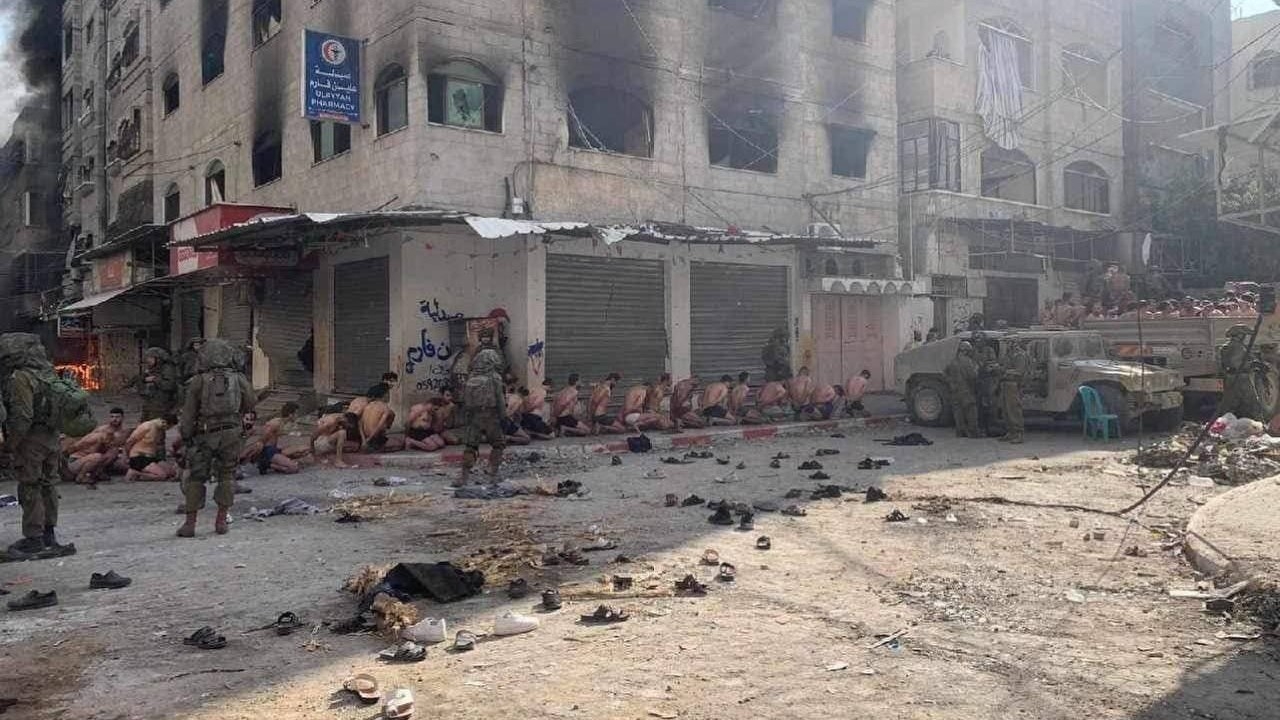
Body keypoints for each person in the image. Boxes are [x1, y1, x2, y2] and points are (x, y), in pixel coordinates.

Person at [1, 333, 76, 558]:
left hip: (31, 440)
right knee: (48, 486)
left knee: (30, 486)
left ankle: (33, 538)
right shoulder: (48, 373)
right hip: (52, 437)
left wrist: (11, 444)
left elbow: (23, 415)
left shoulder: (21, 378)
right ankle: (49, 535)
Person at [178, 338, 256, 537]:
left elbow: (188, 413)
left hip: (205, 433)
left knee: (197, 477)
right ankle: (221, 521)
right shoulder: (238, 378)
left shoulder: (198, 381)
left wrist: (186, 436)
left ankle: (190, 524)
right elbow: (250, 403)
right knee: (227, 475)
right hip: (232, 432)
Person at [457, 327, 507, 485]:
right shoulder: (494, 377)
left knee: (471, 446)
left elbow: (465, 400)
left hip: (474, 417)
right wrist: (504, 417)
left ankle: (463, 477)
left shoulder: (472, 377)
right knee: (498, 444)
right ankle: (492, 474)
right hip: (491, 416)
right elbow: (499, 399)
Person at [63, 407, 128, 485]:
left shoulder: (123, 432)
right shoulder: (98, 433)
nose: (114, 419)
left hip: (95, 459)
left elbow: (121, 447)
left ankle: (98, 472)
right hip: (78, 461)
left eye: (117, 417)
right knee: (97, 456)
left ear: (122, 418)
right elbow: (75, 446)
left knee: (114, 452)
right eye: (112, 417)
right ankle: (81, 476)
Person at [1220, 324, 1267, 420]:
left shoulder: (1227, 346)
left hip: (1231, 377)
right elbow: (1237, 364)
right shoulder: (1237, 347)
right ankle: (1260, 422)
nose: (1245, 337)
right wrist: (1253, 364)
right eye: (1243, 335)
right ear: (1239, 335)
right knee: (1252, 402)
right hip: (1240, 377)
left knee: (1230, 404)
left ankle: (1225, 423)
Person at [250, 402, 304, 474]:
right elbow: (262, 439)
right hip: (268, 451)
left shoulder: (282, 423)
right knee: (294, 468)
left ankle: (272, 464)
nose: (297, 416)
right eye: (296, 414)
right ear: (291, 414)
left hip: (274, 449)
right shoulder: (276, 423)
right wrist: (257, 453)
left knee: (301, 452)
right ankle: (266, 464)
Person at [123, 417, 178, 482]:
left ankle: (146, 473)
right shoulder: (147, 426)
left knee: (172, 472)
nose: (167, 429)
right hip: (139, 457)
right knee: (162, 476)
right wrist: (127, 456)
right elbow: (129, 442)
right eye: (168, 427)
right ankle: (135, 473)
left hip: (151, 457)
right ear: (165, 423)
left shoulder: (160, 429)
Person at [945, 341, 980, 439]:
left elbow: (945, 373)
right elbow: (973, 376)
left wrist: (951, 383)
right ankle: (974, 433)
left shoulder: (952, 361)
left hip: (955, 391)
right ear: (965, 351)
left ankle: (960, 432)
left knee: (958, 412)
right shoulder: (968, 361)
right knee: (971, 411)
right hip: (966, 390)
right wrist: (977, 368)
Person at [998, 340, 1029, 444]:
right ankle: (1010, 432)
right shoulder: (1008, 354)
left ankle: (1018, 433)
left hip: (1013, 384)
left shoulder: (1020, 355)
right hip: (1005, 383)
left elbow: (1019, 371)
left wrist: (1005, 371)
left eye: (1008, 342)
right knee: (1006, 410)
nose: (1007, 344)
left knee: (1014, 410)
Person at [358, 383, 403, 453]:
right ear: (385, 395)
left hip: (365, 437)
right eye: (388, 393)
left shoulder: (367, 406)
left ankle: (373, 446)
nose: (389, 396)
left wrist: (364, 440)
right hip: (374, 438)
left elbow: (360, 423)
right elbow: (379, 426)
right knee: (399, 443)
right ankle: (377, 447)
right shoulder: (385, 408)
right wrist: (369, 440)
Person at [139, 347, 179, 422]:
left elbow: (169, 385)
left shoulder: (167, 369)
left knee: (155, 428)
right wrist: (144, 378)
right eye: (148, 358)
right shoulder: (152, 368)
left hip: (160, 405)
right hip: (149, 402)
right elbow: (141, 381)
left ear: (158, 359)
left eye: (151, 358)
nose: (148, 360)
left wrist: (154, 379)